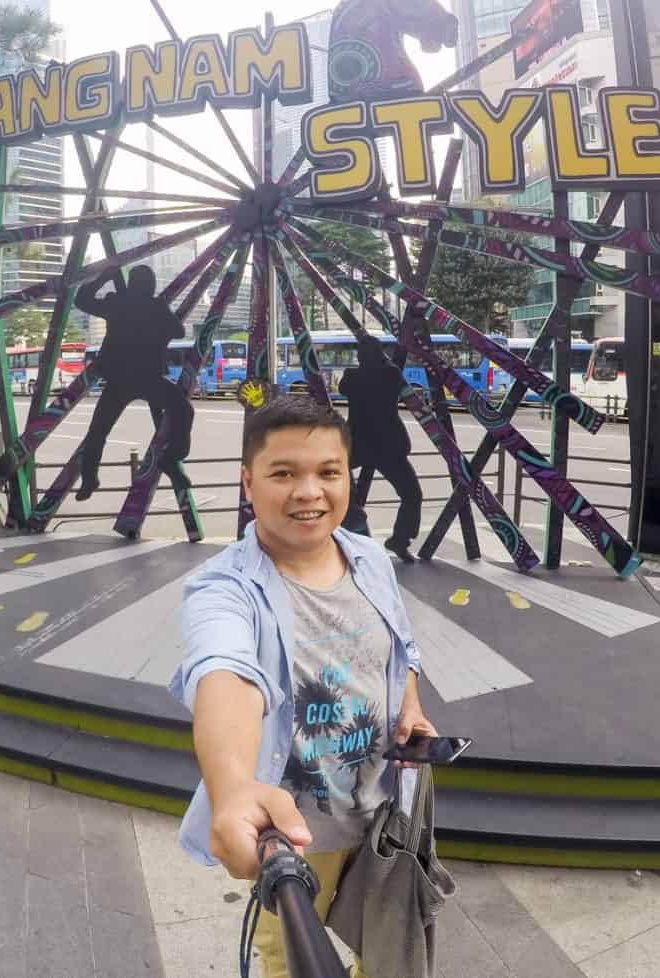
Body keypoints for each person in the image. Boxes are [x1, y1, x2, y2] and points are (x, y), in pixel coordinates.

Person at [168, 396, 436, 978]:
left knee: (387, 952)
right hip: (294, 833)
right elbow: (226, 670)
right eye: (284, 473)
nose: (309, 492)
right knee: (292, 962)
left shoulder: (370, 559)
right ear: (248, 482)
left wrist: (409, 707)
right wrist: (233, 789)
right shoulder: (225, 590)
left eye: (328, 472)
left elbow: (404, 647)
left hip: (384, 813)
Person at [74, 264, 193, 500]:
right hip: (149, 378)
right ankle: (172, 458)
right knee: (184, 411)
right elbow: (178, 332)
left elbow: (82, 300)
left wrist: (103, 278)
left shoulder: (117, 303)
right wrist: (159, 315)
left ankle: (89, 478)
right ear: (151, 285)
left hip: (118, 379)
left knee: (98, 431)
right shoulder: (156, 307)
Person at [338, 335, 423, 562]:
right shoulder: (391, 374)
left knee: (335, 486)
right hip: (388, 445)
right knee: (412, 494)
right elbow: (397, 383)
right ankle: (400, 540)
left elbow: (343, 389)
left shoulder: (352, 376)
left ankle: (348, 531)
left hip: (359, 443)